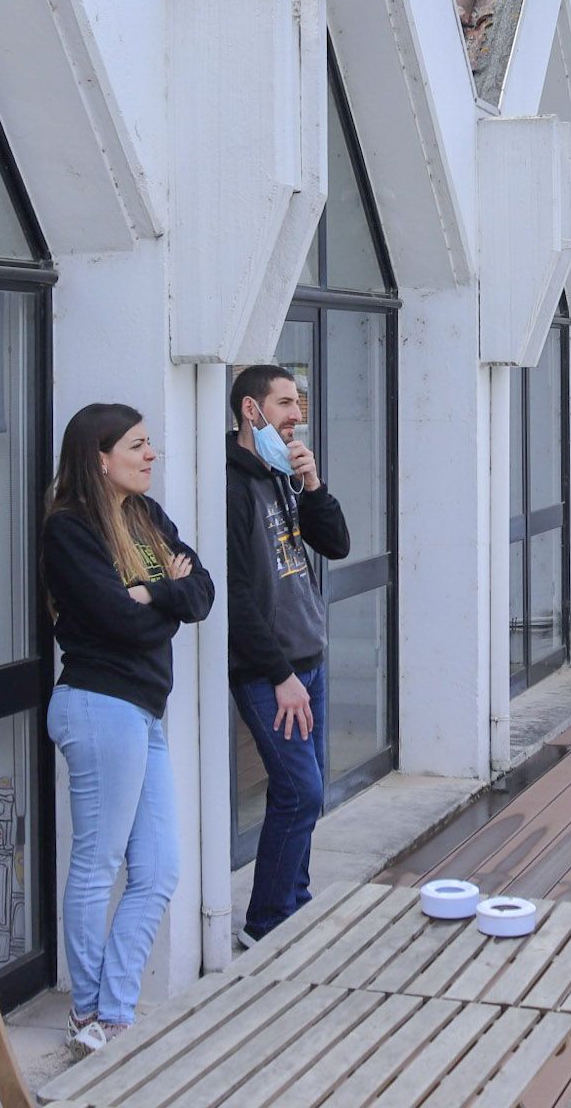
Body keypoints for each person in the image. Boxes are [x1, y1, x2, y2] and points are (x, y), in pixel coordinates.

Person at [41, 403, 215, 1055]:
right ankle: (91, 1013)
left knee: (160, 868)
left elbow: (202, 590)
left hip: (140, 708)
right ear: (99, 456)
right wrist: (157, 599)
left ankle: (111, 1009)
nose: (152, 455)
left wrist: (154, 595)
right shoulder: (70, 529)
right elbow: (120, 623)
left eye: (151, 445)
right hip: (96, 703)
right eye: (139, 446)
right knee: (98, 864)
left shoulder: (143, 517)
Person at [225, 363, 351, 943]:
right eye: (283, 405)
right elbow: (237, 595)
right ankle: (268, 923)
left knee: (306, 794)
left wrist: (313, 486)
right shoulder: (231, 483)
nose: (296, 416)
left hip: (308, 659)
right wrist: (278, 674)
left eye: (297, 404)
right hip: (270, 671)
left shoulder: (282, 474)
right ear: (252, 411)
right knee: (301, 790)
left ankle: (293, 902)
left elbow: (336, 545)